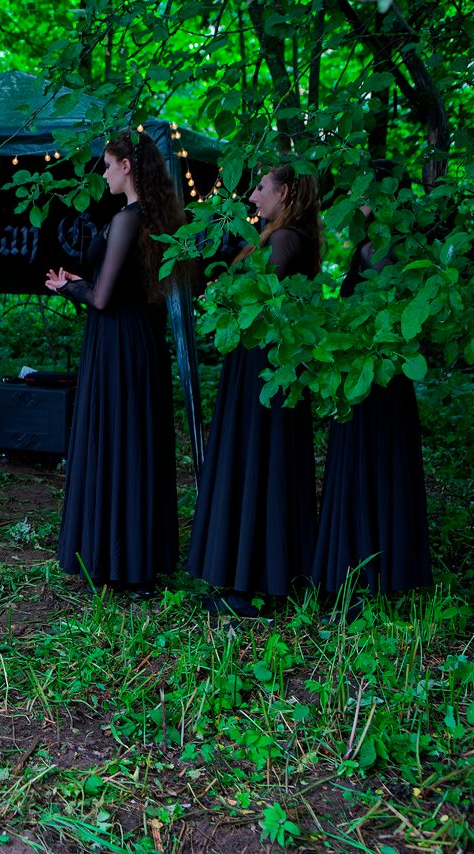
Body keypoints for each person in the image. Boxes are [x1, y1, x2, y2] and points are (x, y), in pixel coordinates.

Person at [44, 131, 180, 591]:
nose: (103, 174)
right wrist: (82, 282)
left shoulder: (127, 219)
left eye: (107, 165)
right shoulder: (155, 218)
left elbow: (103, 300)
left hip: (119, 343)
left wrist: (70, 287)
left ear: (126, 166)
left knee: (116, 440)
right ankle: (135, 561)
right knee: (134, 442)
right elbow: (120, 286)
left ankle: (118, 562)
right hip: (139, 341)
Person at [185, 163, 321, 617]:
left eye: (261, 188)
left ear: (285, 192)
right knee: (261, 461)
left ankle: (255, 584)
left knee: (261, 462)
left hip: (266, 368)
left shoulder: (285, 239)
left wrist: (223, 294)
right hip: (261, 365)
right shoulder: (281, 237)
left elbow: (261, 301)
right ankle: (259, 577)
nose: (252, 196)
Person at [312, 173, 431, 602]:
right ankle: (372, 576)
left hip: (374, 382)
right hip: (376, 379)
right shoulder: (380, 248)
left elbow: (382, 318)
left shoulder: (377, 250)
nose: (350, 199)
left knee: (367, 469)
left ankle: (364, 580)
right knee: (372, 467)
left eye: (357, 194)